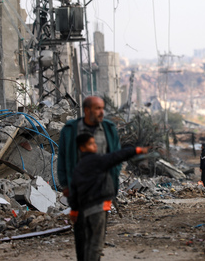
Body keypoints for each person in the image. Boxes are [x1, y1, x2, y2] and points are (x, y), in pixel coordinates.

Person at [57, 96, 121, 261]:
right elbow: (63, 158)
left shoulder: (109, 129)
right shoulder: (71, 130)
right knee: (81, 235)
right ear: (86, 110)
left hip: (102, 191)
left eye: (102, 108)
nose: (101, 112)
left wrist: (114, 181)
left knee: (97, 235)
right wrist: (65, 183)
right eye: (97, 108)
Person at [68, 133, 148, 261]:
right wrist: (136, 150)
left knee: (84, 243)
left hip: (83, 210)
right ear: (82, 147)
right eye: (90, 144)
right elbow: (117, 156)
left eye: (94, 143)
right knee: (96, 243)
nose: (94, 146)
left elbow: (74, 190)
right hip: (98, 208)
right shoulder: (97, 160)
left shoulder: (78, 166)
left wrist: (74, 210)